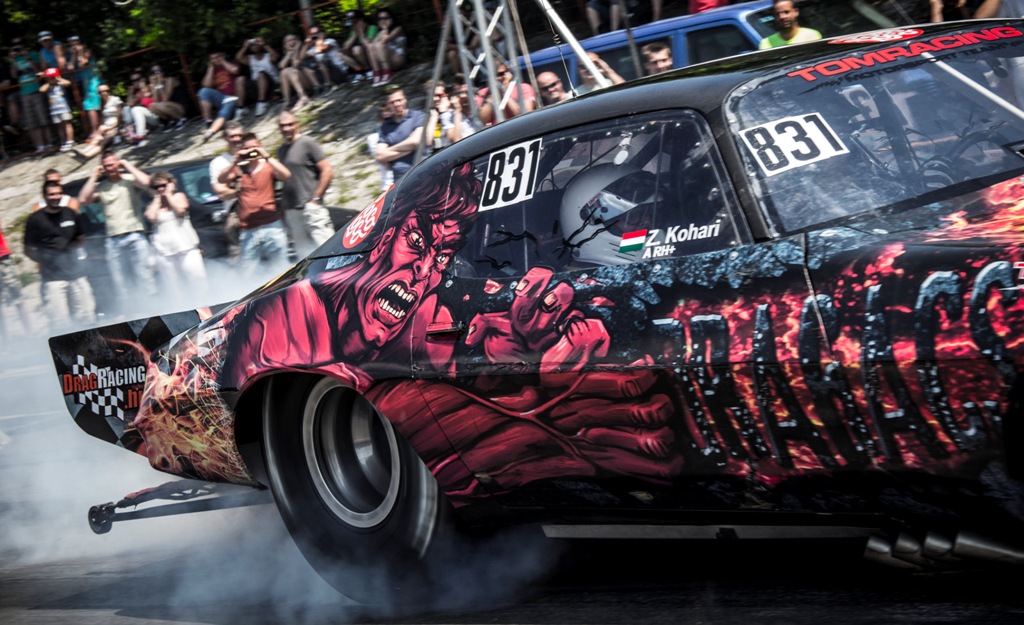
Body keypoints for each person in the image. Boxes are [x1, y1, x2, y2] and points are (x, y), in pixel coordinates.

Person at [77, 151, 157, 312]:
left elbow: (148, 182)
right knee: (121, 281)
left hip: (135, 234)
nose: (110, 168)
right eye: (106, 165)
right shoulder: (101, 187)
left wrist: (126, 165)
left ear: (117, 163)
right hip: (113, 239)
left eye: (112, 164)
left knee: (144, 276)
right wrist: (94, 176)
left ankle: (153, 308)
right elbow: (83, 199)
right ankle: (132, 313)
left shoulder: (129, 180)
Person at [24, 180, 96, 331]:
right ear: (44, 196)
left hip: (77, 274)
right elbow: (28, 249)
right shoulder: (35, 219)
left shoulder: (70, 213)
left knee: (88, 318)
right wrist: (46, 261)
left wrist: (71, 257)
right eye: (52, 194)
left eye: (58, 193)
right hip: (54, 279)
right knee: (61, 324)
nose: (56, 197)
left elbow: (80, 238)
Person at [216, 132, 291, 278]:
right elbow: (221, 179)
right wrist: (235, 161)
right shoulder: (239, 169)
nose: (251, 152)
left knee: (282, 268)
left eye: (254, 148)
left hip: (271, 226)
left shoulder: (268, 167)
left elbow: (286, 175)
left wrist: (266, 156)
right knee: (248, 273)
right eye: (247, 149)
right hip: (248, 230)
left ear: (260, 146)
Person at [276, 111, 335, 258]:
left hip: (311, 208)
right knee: (305, 258)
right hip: (292, 211)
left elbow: (327, 170)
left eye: (290, 124)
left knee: (329, 251)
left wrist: (316, 199)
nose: (286, 128)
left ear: (297, 124)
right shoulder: (281, 150)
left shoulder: (307, 143)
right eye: (283, 126)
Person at [144, 171, 208, 303]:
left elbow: (180, 210)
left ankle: (204, 304)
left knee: (198, 280)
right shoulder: (154, 204)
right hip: (164, 251)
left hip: (186, 248)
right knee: (174, 288)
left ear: (170, 184)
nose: (160, 189)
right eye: (156, 187)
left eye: (163, 185)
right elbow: (150, 217)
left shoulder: (179, 197)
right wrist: (157, 199)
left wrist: (168, 195)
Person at [209, 120, 245, 264]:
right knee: (239, 256)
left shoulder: (253, 154)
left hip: (259, 209)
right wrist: (243, 190)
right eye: (232, 136)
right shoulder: (218, 163)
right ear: (225, 138)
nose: (237, 139)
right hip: (235, 211)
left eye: (239, 135)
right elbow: (220, 192)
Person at [375, 85, 426, 183]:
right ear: (388, 105)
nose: (396, 104)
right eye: (392, 102)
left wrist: (388, 150)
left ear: (405, 99)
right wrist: (407, 149)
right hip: (400, 181)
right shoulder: (385, 126)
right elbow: (380, 156)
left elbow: (414, 141)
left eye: (399, 100)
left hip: (422, 173)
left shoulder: (417, 116)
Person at [10, 37, 50, 153]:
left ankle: (49, 143)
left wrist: (28, 57)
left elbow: (39, 71)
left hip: (37, 89)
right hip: (24, 93)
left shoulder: (33, 54)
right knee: (32, 121)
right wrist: (12, 60)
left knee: (43, 118)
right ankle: (40, 146)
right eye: (15, 46)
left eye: (20, 44)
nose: (18, 47)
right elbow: (13, 75)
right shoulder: (15, 59)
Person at [198, 52, 243, 142]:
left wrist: (223, 62)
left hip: (233, 97)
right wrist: (210, 68)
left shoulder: (231, 63)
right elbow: (206, 85)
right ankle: (208, 121)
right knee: (203, 91)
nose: (216, 59)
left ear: (223, 56)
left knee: (224, 111)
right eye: (213, 58)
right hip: (221, 97)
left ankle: (211, 131)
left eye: (218, 57)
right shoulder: (213, 70)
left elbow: (235, 71)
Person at [0, 219, 32, 342]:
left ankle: (30, 335)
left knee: (18, 298)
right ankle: (5, 342)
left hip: (3, 259)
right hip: (4, 258)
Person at [65, 36, 102, 139]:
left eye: (76, 43)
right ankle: (95, 130)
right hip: (86, 83)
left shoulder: (88, 52)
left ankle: (95, 130)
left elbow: (82, 63)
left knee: (91, 106)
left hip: (93, 82)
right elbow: (70, 67)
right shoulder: (75, 55)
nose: (74, 46)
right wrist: (73, 55)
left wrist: (80, 52)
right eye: (72, 44)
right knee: (89, 106)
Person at [236, 36, 279, 117]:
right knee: (240, 79)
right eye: (252, 45)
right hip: (256, 87)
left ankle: (262, 103)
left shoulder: (268, 56)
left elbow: (276, 56)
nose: (254, 46)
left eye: (256, 44)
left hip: (271, 85)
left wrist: (264, 44)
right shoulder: (250, 59)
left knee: (261, 73)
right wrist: (245, 47)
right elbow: (238, 58)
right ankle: (241, 108)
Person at [77, 84, 121, 159]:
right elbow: (102, 119)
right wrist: (100, 129)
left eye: (105, 91)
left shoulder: (115, 100)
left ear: (109, 91)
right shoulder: (102, 103)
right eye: (100, 92)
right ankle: (84, 151)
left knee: (102, 142)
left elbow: (120, 118)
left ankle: (88, 155)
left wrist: (110, 127)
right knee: (97, 138)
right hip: (105, 127)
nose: (103, 93)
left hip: (115, 127)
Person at [367, 9, 406, 86]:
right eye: (380, 19)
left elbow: (386, 39)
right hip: (386, 60)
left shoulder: (398, 29)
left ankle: (387, 72)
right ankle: (377, 73)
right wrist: (382, 31)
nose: (382, 21)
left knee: (380, 45)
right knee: (371, 46)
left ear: (391, 19)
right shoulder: (381, 32)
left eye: (385, 18)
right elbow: (372, 46)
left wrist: (385, 28)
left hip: (397, 59)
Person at [39, 67, 75, 151]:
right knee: (60, 126)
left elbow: (68, 83)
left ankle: (70, 141)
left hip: (64, 108)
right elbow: (41, 90)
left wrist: (59, 79)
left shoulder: (60, 83)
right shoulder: (48, 85)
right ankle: (63, 142)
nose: (51, 78)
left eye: (53, 76)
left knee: (67, 124)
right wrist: (49, 82)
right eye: (50, 77)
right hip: (54, 110)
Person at [340, 10, 377, 85]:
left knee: (356, 49)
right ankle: (359, 72)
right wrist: (356, 34)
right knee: (340, 54)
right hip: (359, 57)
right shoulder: (353, 32)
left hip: (371, 55)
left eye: (355, 22)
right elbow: (346, 47)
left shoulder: (371, 27)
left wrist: (361, 32)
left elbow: (367, 44)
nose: (353, 25)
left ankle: (368, 70)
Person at [122, 71, 160, 143]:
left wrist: (142, 88)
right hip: (143, 120)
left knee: (136, 109)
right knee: (126, 108)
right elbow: (130, 104)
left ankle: (140, 135)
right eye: (133, 81)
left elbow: (151, 101)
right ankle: (131, 130)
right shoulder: (135, 93)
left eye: (137, 80)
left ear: (142, 79)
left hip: (154, 117)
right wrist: (131, 92)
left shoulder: (150, 87)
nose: (135, 82)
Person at [278, 34, 313, 110]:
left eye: (293, 39)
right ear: (285, 45)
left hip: (310, 80)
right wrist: (289, 53)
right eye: (288, 41)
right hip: (300, 80)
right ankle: (287, 101)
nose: (291, 42)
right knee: (283, 72)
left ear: (298, 41)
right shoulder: (288, 54)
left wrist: (296, 50)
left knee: (292, 71)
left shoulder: (303, 49)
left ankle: (303, 96)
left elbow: (296, 64)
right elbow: (281, 66)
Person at [442, 74, 479, 145]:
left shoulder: (480, 110)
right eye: (458, 93)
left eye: (466, 92)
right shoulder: (447, 116)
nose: (463, 96)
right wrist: (457, 111)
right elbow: (456, 141)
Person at [148, 65, 188, 130]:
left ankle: (182, 119)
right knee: (152, 106)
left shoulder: (170, 80)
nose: (156, 74)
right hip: (169, 106)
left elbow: (166, 99)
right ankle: (171, 121)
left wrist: (160, 84)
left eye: (158, 71)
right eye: (153, 72)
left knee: (162, 105)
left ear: (163, 72)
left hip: (181, 106)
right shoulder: (158, 84)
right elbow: (156, 101)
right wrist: (155, 85)